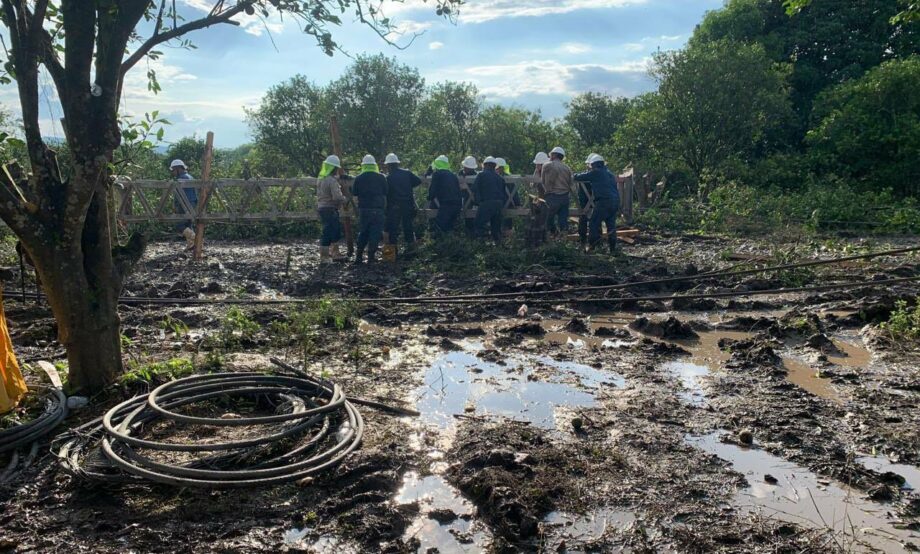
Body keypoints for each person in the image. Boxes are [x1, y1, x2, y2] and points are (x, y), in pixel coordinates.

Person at [574, 154, 619, 253]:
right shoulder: (610, 174)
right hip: (615, 202)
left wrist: (572, 175)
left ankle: (592, 247)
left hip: (604, 202)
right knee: (611, 226)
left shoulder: (596, 172)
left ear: (594, 164)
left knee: (594, 223)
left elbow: (579, 177)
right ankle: (613, 250)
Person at [352, 155, 388, 263]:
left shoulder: (359, 178)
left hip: (364, 209)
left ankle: (359, 256)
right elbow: (386, 191)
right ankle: (371, 257)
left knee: (363, 232)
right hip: (378, 209)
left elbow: (354, 192)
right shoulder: (381, 177)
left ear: (363, 166)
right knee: (375, 233)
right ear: (374, 165)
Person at [383, 153, 421, 249]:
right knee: (408, 226)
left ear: (388, 165)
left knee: (393, 228)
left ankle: (393, 251)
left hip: (394, 205)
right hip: (407, 204)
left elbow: (385, 192)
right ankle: (411, 249)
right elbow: (418, 181)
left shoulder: (388, 178)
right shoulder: (407, 173)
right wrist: (408, 186)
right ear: (397, 163)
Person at [316, 155, 348, 264]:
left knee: (327, 230)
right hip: (330, 208)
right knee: (333, 231)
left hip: (322, 207)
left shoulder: (321, 179)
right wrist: (345, 199)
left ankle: (327, 255)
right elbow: (337, 197)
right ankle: (329, 256)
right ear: (334, 168)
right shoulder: (332, 181)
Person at [540, 146, 574, 237]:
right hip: (565, 198)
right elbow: (572, 184)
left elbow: (542, 181)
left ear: (554, 155)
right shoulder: (567, 168)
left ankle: (549, 241)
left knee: (547, 220)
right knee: (563, 221)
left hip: (552, 196)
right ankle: (563, 241)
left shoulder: (547, 165)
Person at [472, 157, 506, 243]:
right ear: (494, 166)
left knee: (479, 225)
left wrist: (477, 202)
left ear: (485, 165)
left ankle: (481, 247)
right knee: (496, 228)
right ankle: (498, 247)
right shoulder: (499, 177)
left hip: (487, 202)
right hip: (499, 204)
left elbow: (474, 188)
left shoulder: (481, 175)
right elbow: (503, 191)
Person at [428, 155, 463, 235]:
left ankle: (442, 245)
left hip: (447, 204)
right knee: (450, 228)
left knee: (440, 228)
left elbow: (432, 193)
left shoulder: (437, 174)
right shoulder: (453, 175)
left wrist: (430, 198)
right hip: (458, 204)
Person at [170, 159, 197, 249]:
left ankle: (195, 238)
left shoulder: (180, 179)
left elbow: (178, 196)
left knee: (180, 225)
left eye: (173, 170)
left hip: (184, 205)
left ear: (178, 169)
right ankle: (192, 245)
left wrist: (175, 206)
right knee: (188, 224)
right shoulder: (190, 177)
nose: (173, 172)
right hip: (192, 203)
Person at [577, 154, 600, 246]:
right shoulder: (601, 175)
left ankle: (583, 241)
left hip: (584, 202)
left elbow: (579, 191)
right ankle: (596, 243)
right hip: (596, 202)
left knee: (583, 219)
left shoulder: (584, 175)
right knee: (596, 221)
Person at [458, 156, 478, 236]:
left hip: (472, 199)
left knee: (471, 216)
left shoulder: (476, 176)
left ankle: (471, 233)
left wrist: (467, 188)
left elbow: (476, 190)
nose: (465, 168)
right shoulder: (460, 173)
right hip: (462, 197)